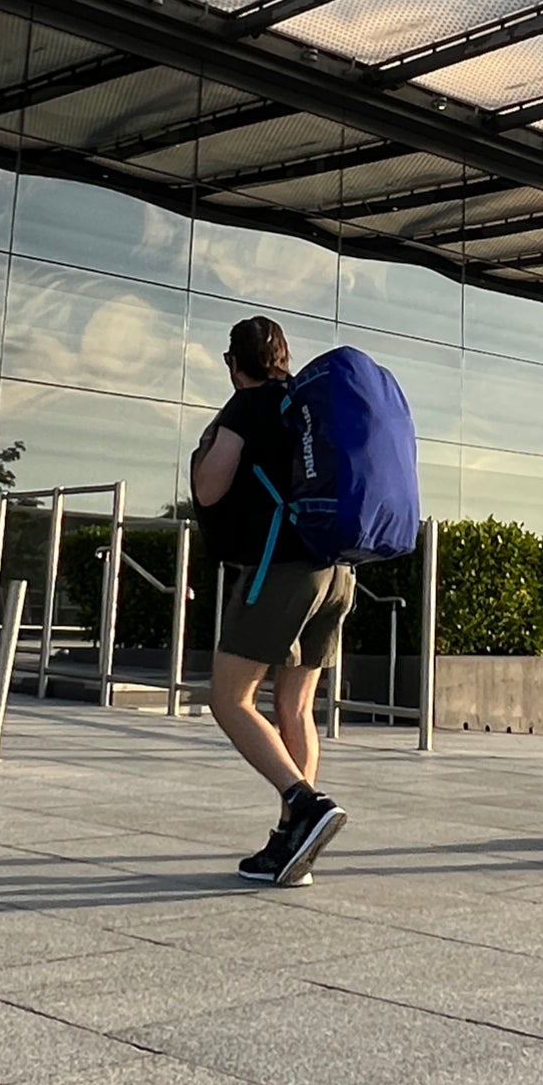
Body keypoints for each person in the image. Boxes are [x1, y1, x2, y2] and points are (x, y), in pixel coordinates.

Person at [191, 316, 349, 887]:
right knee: (296, 708)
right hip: (336, 572)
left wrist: (213, 434)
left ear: (234, 362)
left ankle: (302, 805)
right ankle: (293, 846)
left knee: (229, 697)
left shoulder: (247, 407)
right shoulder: (305, 407)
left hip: (279, 570)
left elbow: (209, 486)